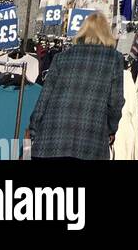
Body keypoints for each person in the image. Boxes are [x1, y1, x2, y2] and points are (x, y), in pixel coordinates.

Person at [28, 12, 125, 159]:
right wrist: (111, 129)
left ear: (82, 32)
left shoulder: (61, 57)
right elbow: (115, 102)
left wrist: (34, 128)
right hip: (91, 140)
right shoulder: (114, 59)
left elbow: (44, 98)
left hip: (53, 138)